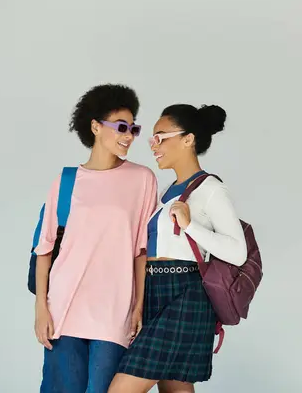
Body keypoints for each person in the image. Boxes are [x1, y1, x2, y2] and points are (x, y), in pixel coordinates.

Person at [108, 104, 247, 393]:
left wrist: (190, 226)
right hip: (155, 291)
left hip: (186, 293)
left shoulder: (210, 189)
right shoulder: (165, 192)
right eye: (153, 138)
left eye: (161, 137)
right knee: (175, 389)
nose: (153, 145)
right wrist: (138, 303)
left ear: (188, 139)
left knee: (121, 389)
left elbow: (237, 252)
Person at [33, 84, 158, 393]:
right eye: (121, 127)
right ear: (94, 127)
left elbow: (141, 251)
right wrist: (41, 309)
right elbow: (45, 249)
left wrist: (139, 306)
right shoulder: (66, 181)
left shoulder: (142, 179)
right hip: (64, 308)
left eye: (133, 128)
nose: (129, 135)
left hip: (114, 311)